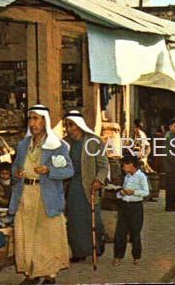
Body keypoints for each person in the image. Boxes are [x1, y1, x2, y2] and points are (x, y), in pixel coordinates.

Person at [9, 104, 74, 285]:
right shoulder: (22, 145)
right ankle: (31, 274)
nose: (32, 123)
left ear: (45, 121)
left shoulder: (58, 146)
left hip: (47, 196)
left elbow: (69, 170)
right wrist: (16, 173)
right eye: (30, 119)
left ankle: (49, 276)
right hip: (25, 195)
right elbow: (15, 166)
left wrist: (49, 170)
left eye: (36, 118)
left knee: (47, 237)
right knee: (26, 235)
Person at [63, 110, 109, 263]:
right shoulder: (65, 143)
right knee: (75, 219)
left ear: (80, 126)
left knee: (92, 218)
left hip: (90, 185)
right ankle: (79, 251)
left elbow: (103, 166)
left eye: (72, 125)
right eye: (67, 126)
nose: (69, 129)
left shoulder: (93, 142)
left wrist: (98, 180)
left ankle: (99, 241)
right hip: (73, 185)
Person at [113, 154, 149, 266]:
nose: (123, 168)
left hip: (135, 207)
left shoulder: (141, 177)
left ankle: (136, 256)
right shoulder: (127, 177)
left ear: (131, 165)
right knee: (120, 232)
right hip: (124, 206)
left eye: (124, 165)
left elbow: (146, 192)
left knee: (135, 233)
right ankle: (118, 256)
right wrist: (120, 193)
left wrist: (134, 192)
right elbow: (121, 191)